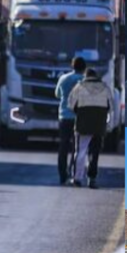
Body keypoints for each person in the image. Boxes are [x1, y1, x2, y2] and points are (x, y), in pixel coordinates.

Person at [66, 68, 111, 188]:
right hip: (99, 125)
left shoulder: (79, 87)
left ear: (85, 76)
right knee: (94, 153)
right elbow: (110, 106)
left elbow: (71, 104)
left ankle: (77, 178)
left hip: (83, 124)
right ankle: (92, 179)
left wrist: (80, 112)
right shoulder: (105, 87)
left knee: (80, 152)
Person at [54, 57, 86, 186]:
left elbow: (57, 94)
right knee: (77, 148)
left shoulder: (63, 78)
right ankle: (74, 174)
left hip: (64, 116)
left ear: (72, 66)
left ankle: (62, 175)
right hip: (79, 117)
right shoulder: (84, 80)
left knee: (63, 145)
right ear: (83, 68)